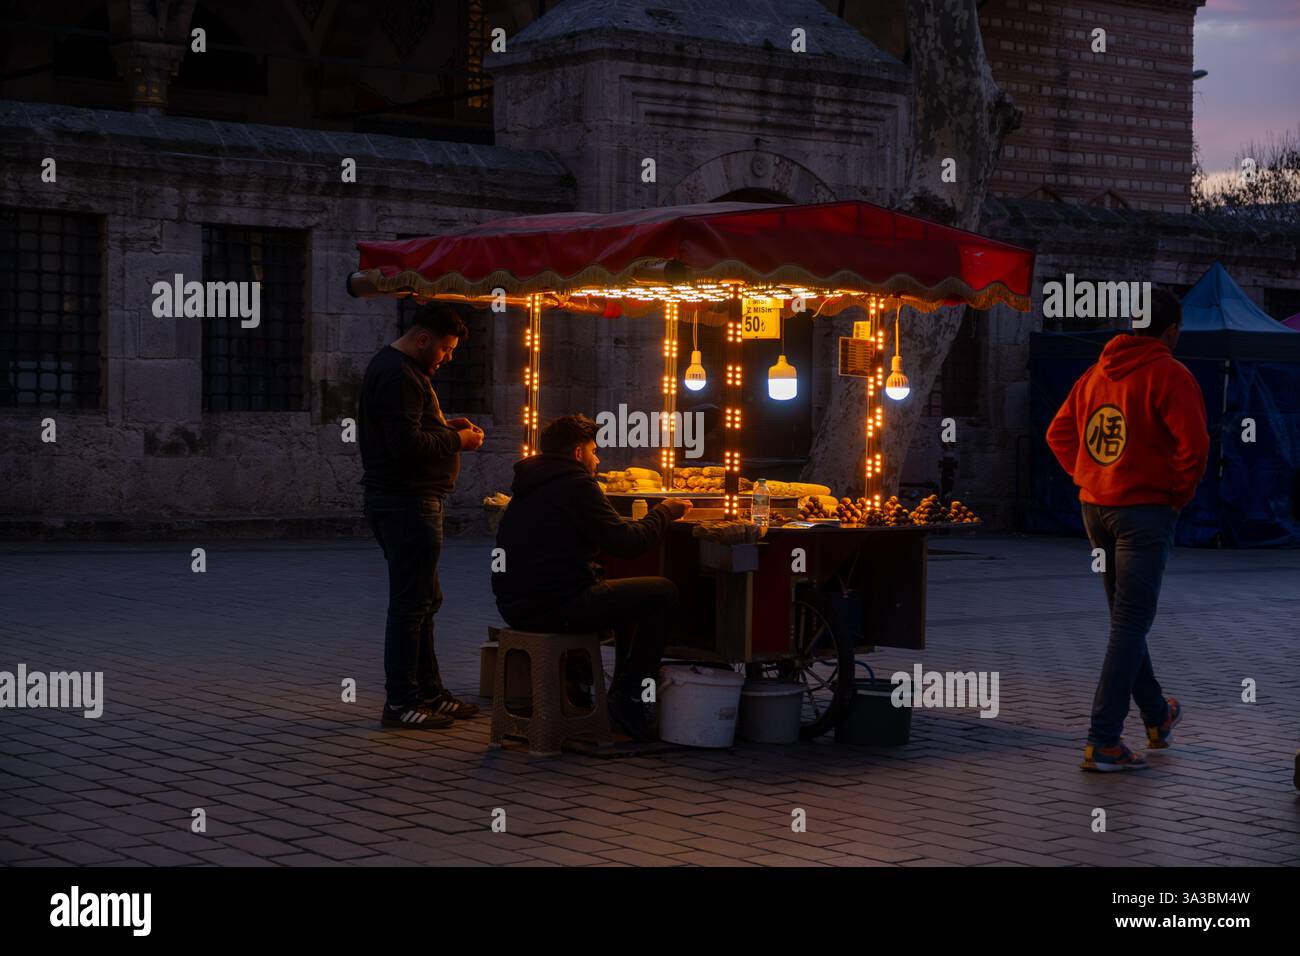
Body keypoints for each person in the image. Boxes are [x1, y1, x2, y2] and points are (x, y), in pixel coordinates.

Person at [1047, 287, 1209, 771]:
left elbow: (1058, 433)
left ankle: (1158, 716)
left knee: (1125, 620)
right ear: (1171, 329)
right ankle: (1104, 740)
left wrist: (1090, 475)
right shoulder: (1171, 375)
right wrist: (1174, 495)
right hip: (1144, 511)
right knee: (1130, 623)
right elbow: (1194, 448)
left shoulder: (1096, 372)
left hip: (1096, 507)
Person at [492, 414, 692, 741]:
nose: (597, 459)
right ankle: (629, 697)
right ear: (576, 453)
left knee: (625, 599)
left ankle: (613, 690)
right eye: (593, 451)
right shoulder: (576, 484)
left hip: (514, 605)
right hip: (556, 606)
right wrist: (664, 511)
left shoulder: (529, 484)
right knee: (663, 593)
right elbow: (628, 543)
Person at [359, 302, 486, 730]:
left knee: (426, 602)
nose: (447, 358)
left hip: (407, 502)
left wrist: (445, 425)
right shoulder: (398, 374)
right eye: (445, 349)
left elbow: (408, 428)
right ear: (423, 339)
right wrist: (457, 440)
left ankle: (431, 693)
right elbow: (406, 446)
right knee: (411, 607)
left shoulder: (401, 370)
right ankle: (401, 702)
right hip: (408, 505)